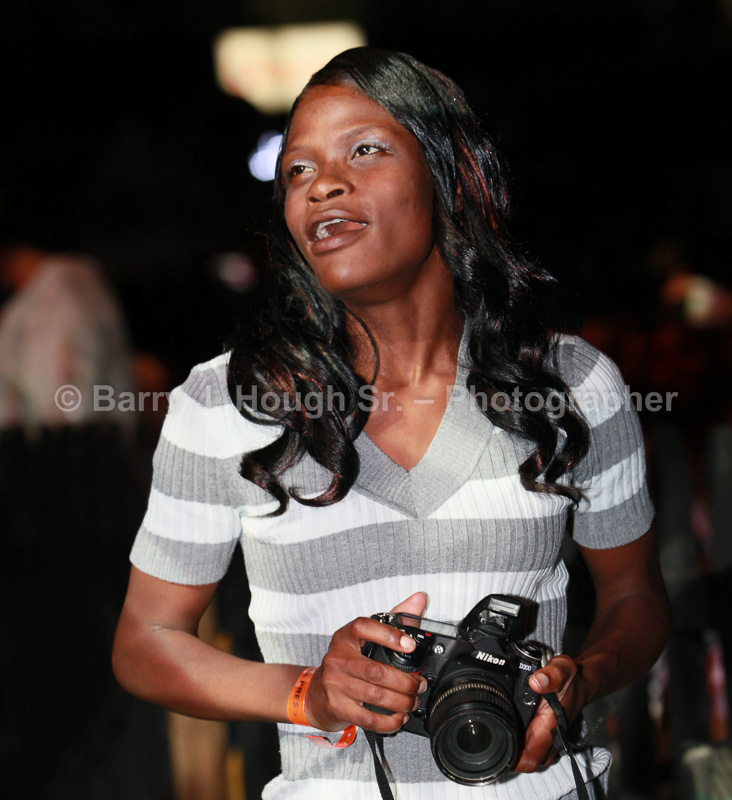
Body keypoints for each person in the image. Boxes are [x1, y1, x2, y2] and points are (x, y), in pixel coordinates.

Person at [113, 48, 670, 799]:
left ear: (450, 175)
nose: (322, 185)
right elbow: (144, 642)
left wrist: (583, 678)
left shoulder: (570, 385)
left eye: (365, 150)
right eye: (298, 170)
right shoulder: (228, 404)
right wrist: (307, 693)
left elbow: (635, 596)